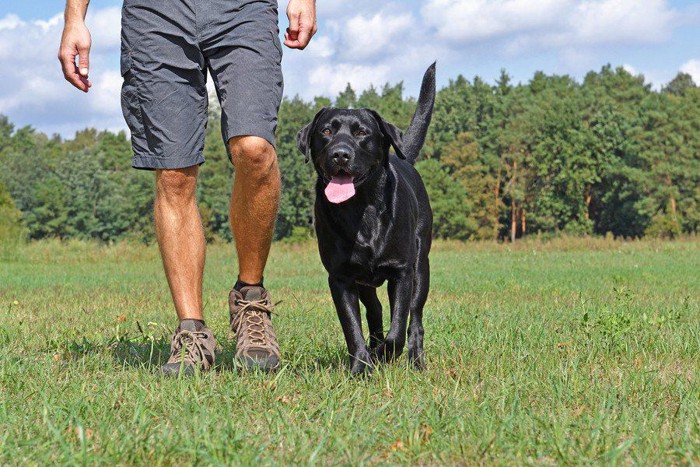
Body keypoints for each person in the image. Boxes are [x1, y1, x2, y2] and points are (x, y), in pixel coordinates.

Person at [58, 0, 317, 375]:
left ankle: (251, 300)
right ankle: (191, 332)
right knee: (174, 173)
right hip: (156, 14)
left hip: (242, 9)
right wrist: (74, 18)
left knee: (255, 150)